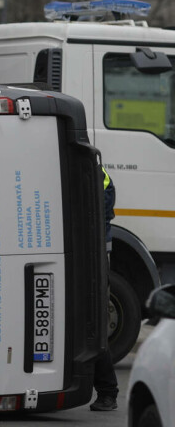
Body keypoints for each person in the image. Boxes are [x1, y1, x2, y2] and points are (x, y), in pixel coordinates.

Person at [91, 167, 119, 411]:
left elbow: (99, 211)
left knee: (93, 320)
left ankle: (108, 392)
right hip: (89, 252)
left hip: (94, 255)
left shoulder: (92, 169)